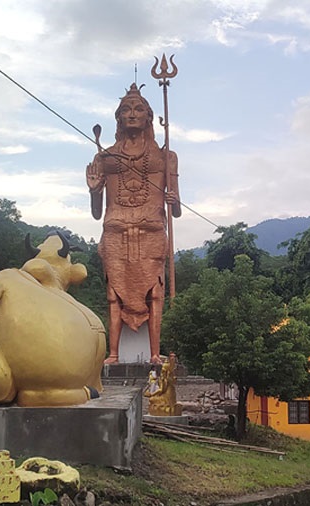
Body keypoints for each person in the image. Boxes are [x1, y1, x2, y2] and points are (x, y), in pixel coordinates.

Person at [86, 83, 180, 365]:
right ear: (118, 117)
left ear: (149, 117)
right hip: (115, 229)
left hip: (151, 229)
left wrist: (172, 198)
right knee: (113, 292)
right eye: (126, 109)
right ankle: (113, 354)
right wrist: (94, 191)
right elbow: (95, 212)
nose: (132, 114)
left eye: (138, 109)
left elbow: (174, 211)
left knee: (155, 292)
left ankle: (154, 354)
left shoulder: (166, 157)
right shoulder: (105, 157)